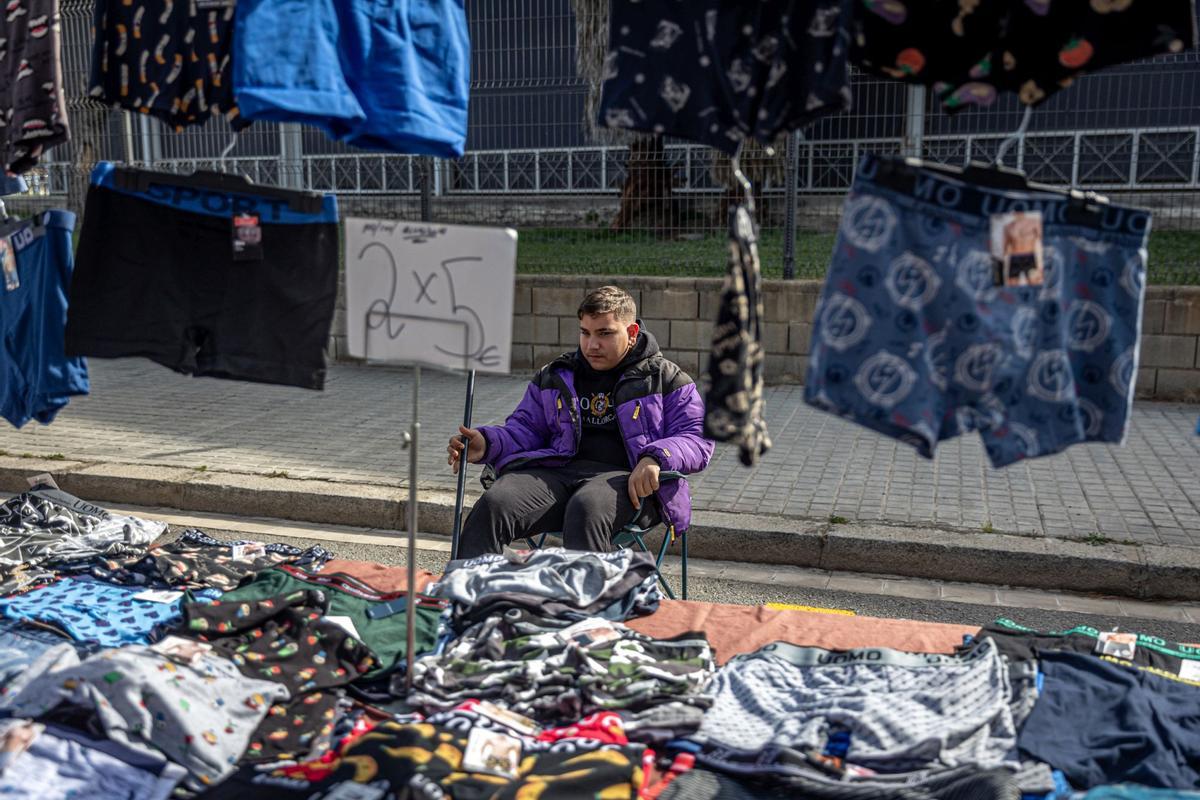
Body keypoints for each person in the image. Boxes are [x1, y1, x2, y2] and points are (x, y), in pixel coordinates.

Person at [448, 285, 713, 557]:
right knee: (495, 503)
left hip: (629, 482)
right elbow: (526, 429)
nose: (591, 345)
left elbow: (697, 437)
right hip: (558, 474)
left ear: (632, 333)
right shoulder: (557, 375)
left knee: (586, 507)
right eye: (585, 333)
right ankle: (469, 594)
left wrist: (656, 458)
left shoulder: (666, 378)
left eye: (604, 334)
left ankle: (589, 598)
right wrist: (488, 443)